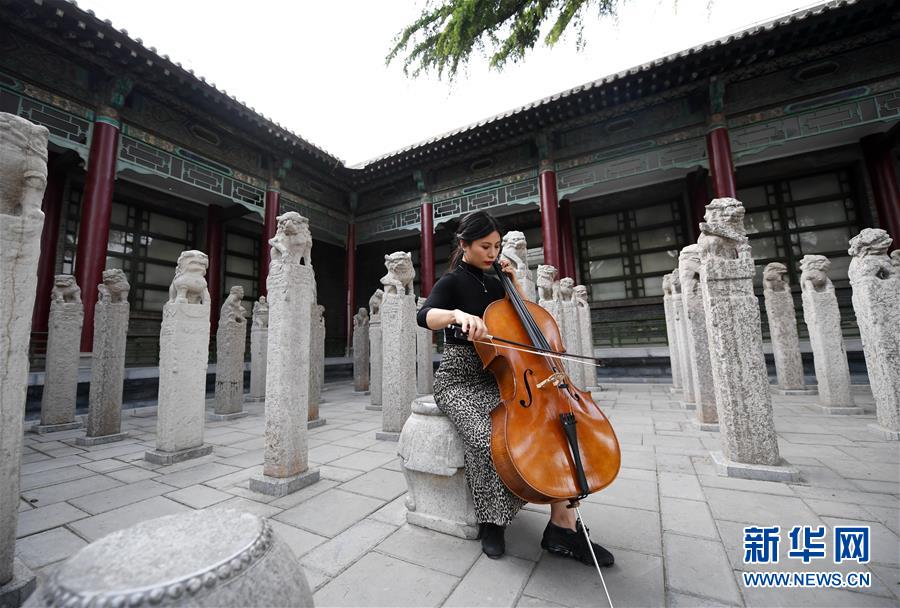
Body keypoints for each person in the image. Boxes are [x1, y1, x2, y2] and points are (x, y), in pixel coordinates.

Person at [416, 210, 614, 566]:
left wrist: (516, 287)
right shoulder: (452, 282)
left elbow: (526, 326)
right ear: (464, 246)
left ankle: (563, 527)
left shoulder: (497, 282)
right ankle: (492, 521)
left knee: (555, 430)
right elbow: (425, 315)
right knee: (489, 437)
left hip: (502, 377)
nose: (493, 254)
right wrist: (457, 316)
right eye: (485, 246)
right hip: (459, 380)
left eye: (496, 246)